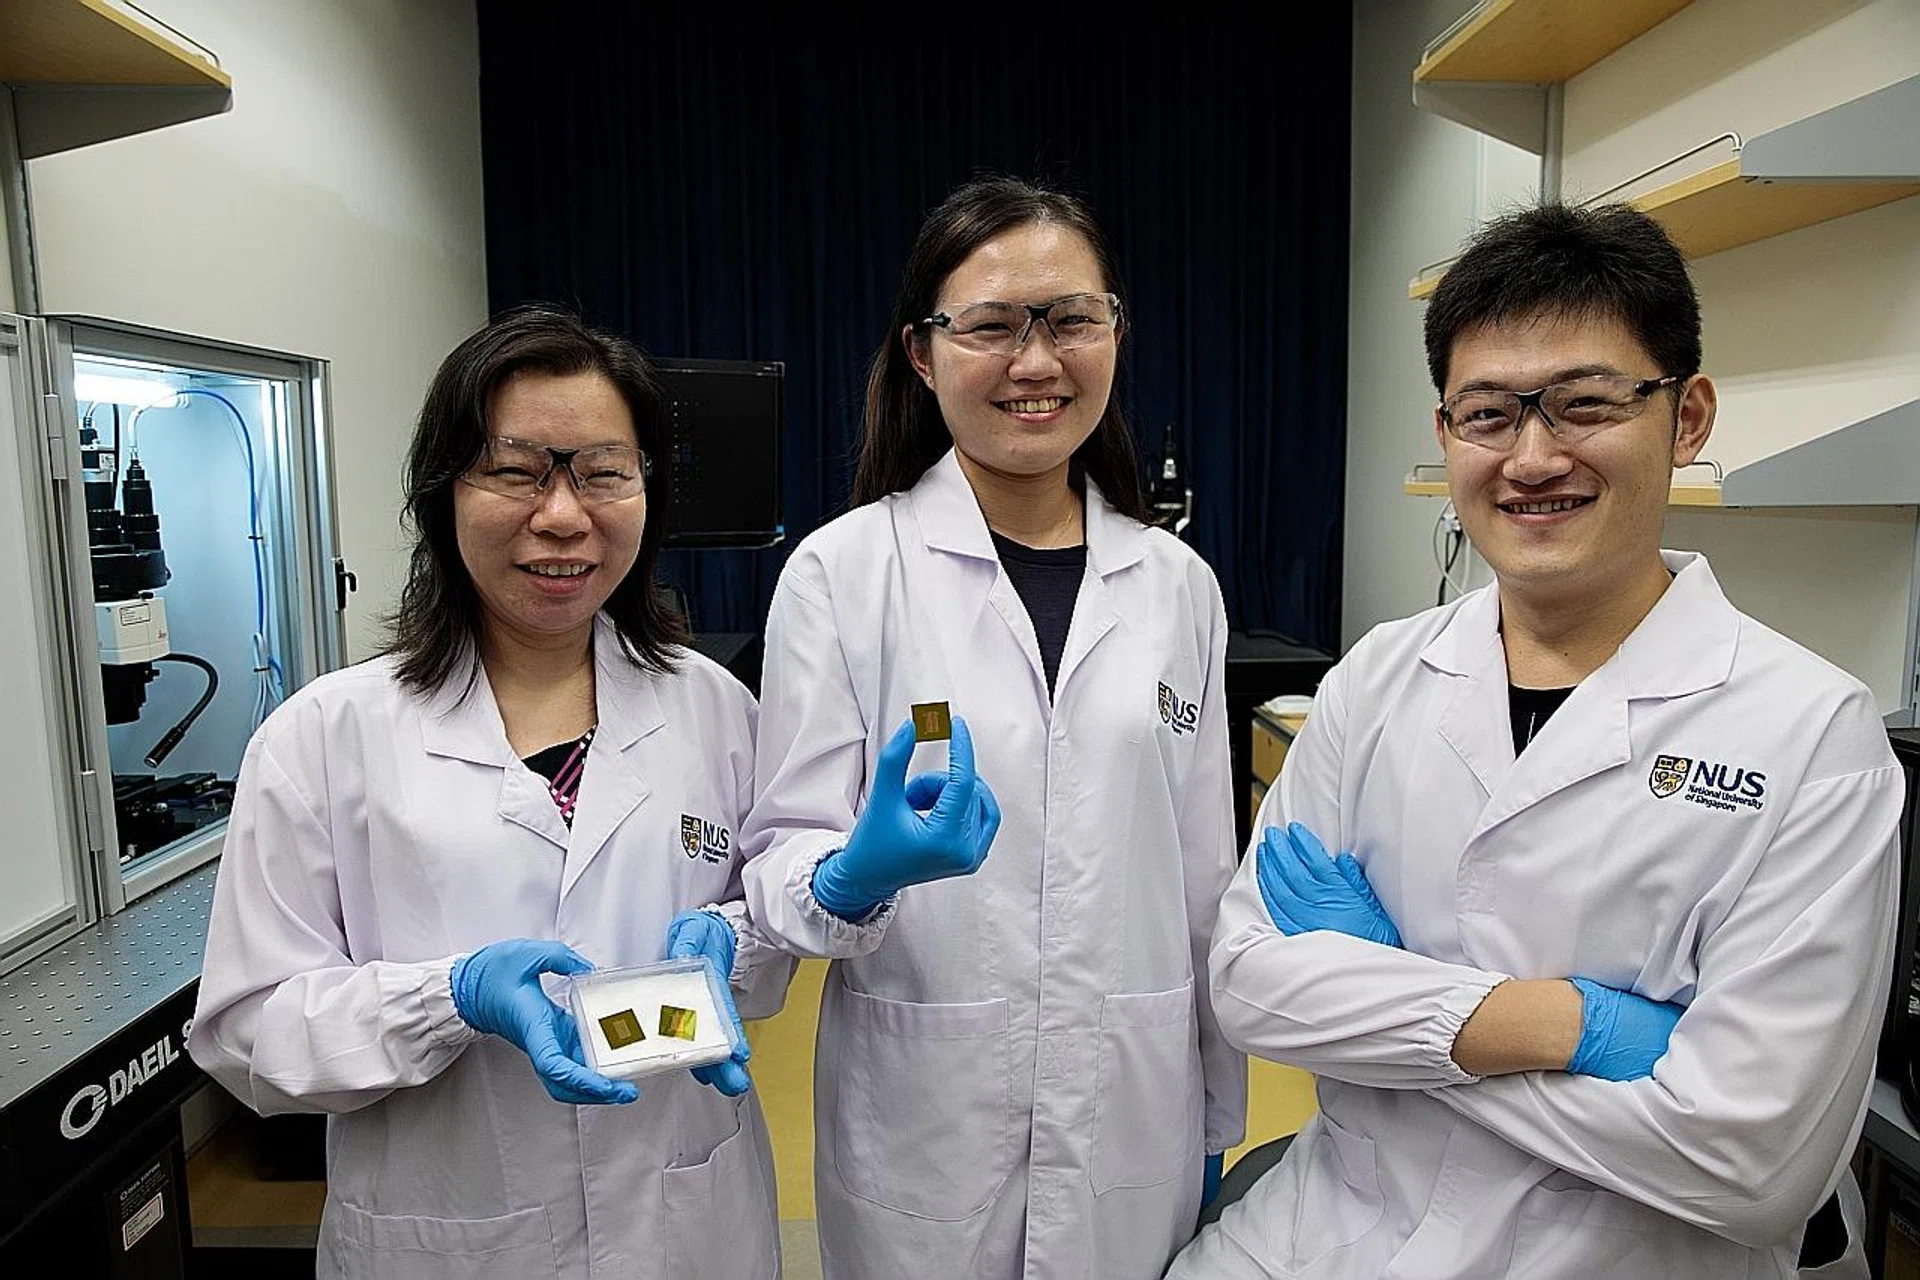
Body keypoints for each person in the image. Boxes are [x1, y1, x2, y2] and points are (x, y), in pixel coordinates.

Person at [1170, 202, 1899, 1280]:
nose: (1534, 454)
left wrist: (1383, 994)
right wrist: (1577, 1023)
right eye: (1489, 414)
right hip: (1327, 1231)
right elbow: (1250, 985)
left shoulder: (1810, 735)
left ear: (1687, 415)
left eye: (1586, 403)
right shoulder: (1377, 674)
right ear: (1446, 434)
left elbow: (1753, 1164)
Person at [189, 305, 793, 1279]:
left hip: (691, 1225)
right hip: (453, 1236)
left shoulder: (716, 709)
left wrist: (742, 944)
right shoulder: (323, 738)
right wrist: (448, 998)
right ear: (444, 490)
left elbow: (761, 950)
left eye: (603, 470)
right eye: (517, 470)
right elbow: (249, 1033)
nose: (563, 514)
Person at [740, 175, 1247, 1280]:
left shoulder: (1177, 585)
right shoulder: (843, 572)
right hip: (926, 1119)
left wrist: (1217, 1107)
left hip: (1134, 1102)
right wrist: (845, 879)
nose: (1036, 361)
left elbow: (1203, 874)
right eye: (991, 325)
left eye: (1071, 319)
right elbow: (777, 857)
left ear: (1116, 332)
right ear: (923, 353)